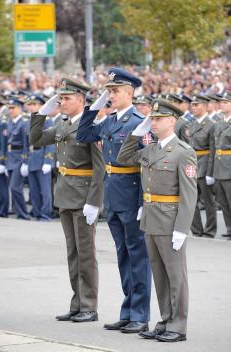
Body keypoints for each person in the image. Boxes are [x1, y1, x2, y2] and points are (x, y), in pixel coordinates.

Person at [77, 67, 151, 334]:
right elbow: (83, 135)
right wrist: (93, 108)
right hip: (113, 194)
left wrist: (145, 202)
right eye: (109, 91)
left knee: (138, 255)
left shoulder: (138, 122)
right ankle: (128, 311)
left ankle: (140, 314)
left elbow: (146, 165)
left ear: (130, 93)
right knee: (123, 256)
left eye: (115, 91)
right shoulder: (109, 121)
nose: (111, 95)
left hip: (131, 194)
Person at [117, 99, 197, 342]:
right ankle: (164, 320)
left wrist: (182, 228)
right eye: (152, 118)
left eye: (158, 119)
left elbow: (189, 194)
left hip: (170, 220)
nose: (153, 122)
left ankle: (178, 325)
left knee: (176, 276)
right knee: (160, 275)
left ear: (171, 121)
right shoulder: (151, 148)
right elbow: (124, 157)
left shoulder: (184, 152)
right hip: (151, 218)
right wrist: (136, 133)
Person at [29, 78, 105, 322]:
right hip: (64, 194)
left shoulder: (90, 125)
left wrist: (94, 201)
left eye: (67, 98)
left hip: (83, 197)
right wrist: (41, 113)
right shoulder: (62, 124)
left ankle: (89, 306)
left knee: (86, 254)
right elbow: (36, 139)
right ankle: (77, 302)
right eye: (60, 98)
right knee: (73, 254)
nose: (62, 102)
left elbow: (99, 168)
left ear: (81, 101)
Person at [189, 95, 217, 238]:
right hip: (193, 165)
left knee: (208, 201)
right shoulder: (192, 124)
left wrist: (210, 172)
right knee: (191, 200)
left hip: (205, 164)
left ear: (205, 106)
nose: (193, 108)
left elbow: (213, 151)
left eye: (196, 105)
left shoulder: (211, 125)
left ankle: (210, 230)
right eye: (192, 105)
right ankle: (196, 230)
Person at [25, 94, 55, 221]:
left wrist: (48, 160)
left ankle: (45, 213)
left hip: (42, 156)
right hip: (32, 157)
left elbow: (50, 142)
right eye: (30, 104)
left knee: (45, 189)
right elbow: (26, 143)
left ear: (41, 105)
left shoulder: (47, 120)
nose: (31, 107)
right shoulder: (29, 121)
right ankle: (37, 212)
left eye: (34, 104)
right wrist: (24, 161)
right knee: (34, 189)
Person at [6, 97, 29, 220]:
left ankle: (23, 213)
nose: (10, 110)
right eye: (9, 108)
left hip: (19, 158)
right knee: (12, 187)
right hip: (10, 158)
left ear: (20, 108)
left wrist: (25, 161)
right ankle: (18, 212)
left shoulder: (24, 122)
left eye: (13, 108)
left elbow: (26, 144)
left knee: (15, 187)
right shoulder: (10, 122)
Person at [213, 91, 231, 238]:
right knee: (223, 201)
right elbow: (215, 148)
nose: (222, 104)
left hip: (229, 167)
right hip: (219, 167)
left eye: (226, 102)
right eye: (221, 102)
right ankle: (229, 228)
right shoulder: (219, 122)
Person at [0, 97, 9, 217]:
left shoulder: (2, 122)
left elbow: (4, 144)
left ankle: (3, 210)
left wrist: (2, 161)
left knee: (2, 186)